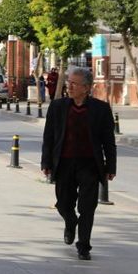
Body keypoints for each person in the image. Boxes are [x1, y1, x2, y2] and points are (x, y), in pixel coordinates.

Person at [41, 67, 116, 260]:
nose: (69, 86)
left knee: (87, 207)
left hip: (89, 165)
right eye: (68, 82)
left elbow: (108, 140)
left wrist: (111, 166)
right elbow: (48, 137)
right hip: (64, 163)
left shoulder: (101, 109)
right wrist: (46, 162)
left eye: (74, 83)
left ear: (86, 88)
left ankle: (84, 246)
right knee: (63, 204)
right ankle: (70, 221)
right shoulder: (57, 107)